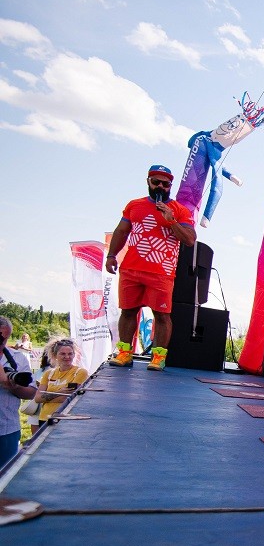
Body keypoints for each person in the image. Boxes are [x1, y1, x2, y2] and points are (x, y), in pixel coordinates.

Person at [105, 164, 197, 371]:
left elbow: (190, 239)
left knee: (162, 315)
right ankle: (124, 352)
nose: (160, 187)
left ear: (170, 186)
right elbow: (121, 231)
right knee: (128, 311)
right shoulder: (134, 205)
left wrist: (170, 220)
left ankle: (158, 356)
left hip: (161, 271)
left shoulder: (180, 211)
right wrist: (111, 255)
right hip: (131, 268)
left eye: (165, 184)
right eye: (156, 182)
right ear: (148, 182)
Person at [32, 339, 88, 436]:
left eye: (70, 354)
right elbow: (37, 398)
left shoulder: (80, 372)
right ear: (55, 355)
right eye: (63, 354)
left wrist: (47, 396)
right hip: (45, 418)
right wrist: (60, 391)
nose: (67, 357)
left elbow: (68, 398)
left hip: (65, 417)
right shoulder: (48, 374)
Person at [0, 317, 36, 465]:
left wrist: (12, 385)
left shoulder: (18, 358)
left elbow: (32, 392)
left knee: (6, 476)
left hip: (7, 428)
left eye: (3, 339)